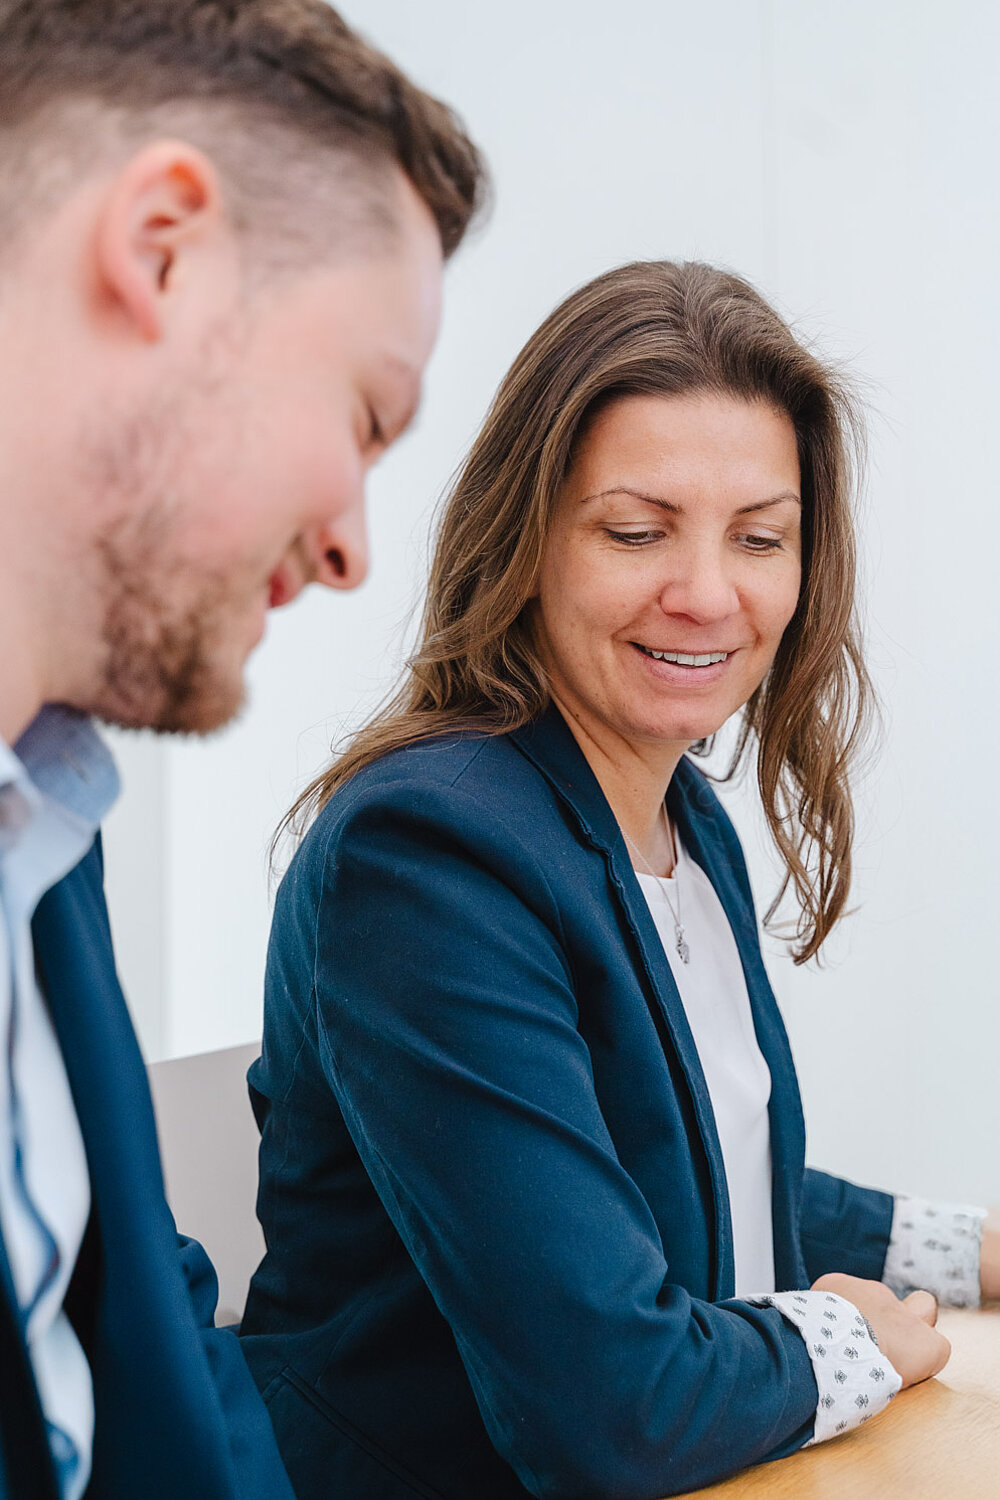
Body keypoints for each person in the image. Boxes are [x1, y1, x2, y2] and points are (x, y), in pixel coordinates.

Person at [241, 259, 997, 1499]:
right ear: (526, 537)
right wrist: (853, 1338)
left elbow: (685, 1165)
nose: (705, 595)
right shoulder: (429, 852)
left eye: (759, 538)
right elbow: (609, 1406)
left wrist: (966, 1250)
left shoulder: (677, 819)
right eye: (635, 531)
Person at [0, 2, 485, 1496]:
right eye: (364, 411)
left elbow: (138, 1334)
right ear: (162, 249)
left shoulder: (46, 835)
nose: (350, 548)